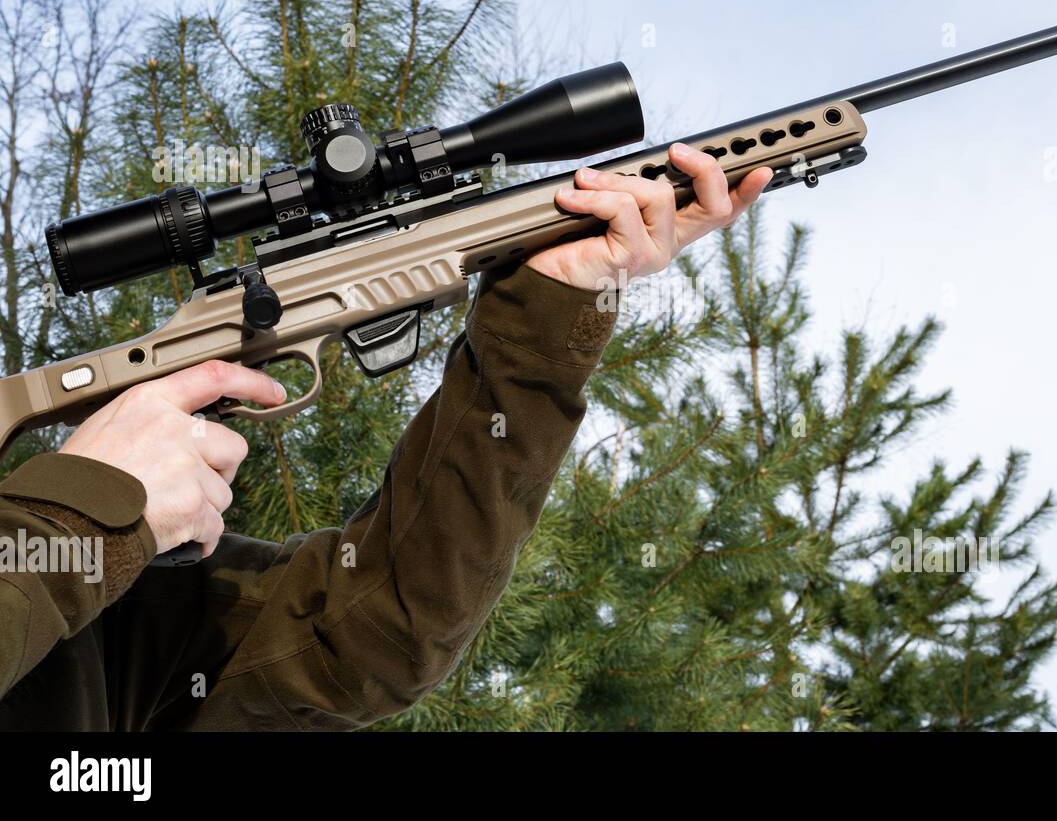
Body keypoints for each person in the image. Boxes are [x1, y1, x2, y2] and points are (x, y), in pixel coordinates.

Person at [0, 146, 771, 730]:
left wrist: (549, 310)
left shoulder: (107, 611)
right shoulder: (71, 541)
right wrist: (81, 515)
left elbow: (375, 630)